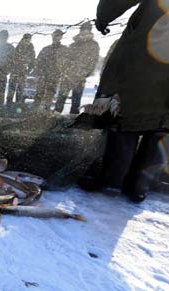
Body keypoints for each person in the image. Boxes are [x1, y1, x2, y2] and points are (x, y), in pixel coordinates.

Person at [78, 0, 169, 202]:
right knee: (162, 125)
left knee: (127, 113)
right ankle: (140, 185)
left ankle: (113, 181)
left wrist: (103, 17)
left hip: (149, 50)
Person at [55, 22, 100, 114]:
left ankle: (73, 119)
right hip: (67, 77)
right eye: (83, 30)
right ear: (80, 31)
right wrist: (66, 72)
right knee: (60, 99)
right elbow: (65, 60)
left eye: (86, 30)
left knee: (76, 101)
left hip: (80, 78)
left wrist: (84, 74)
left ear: (90, 32)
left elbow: (93, 62)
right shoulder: (73, 45)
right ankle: (55, 117)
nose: (84, 33)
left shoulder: (94, 45)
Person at [32, 29, 68, 110]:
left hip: (54, 77)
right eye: (54, 36)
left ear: (61, 37)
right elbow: (38, 63)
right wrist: (38, 75)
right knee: (39, 95)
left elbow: (67, 63)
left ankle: (45, 113)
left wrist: (63, 74)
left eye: (58, 36)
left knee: (50, 95)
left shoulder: (64, 50)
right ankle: (33, 113)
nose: (56, 38)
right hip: (43, 77)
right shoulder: (46, 49)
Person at [6, 33, 36, 110]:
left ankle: (17, 108)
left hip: (23, 73)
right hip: (14, 72)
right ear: (23, 39)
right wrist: (11, 68)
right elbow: (10, 59)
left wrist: (28, 71)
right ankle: (8, 107)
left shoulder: (31, 49)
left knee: (20, 91)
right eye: (26, 39)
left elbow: (33, 62)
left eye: (29, 39)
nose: (27, 40)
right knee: (11, 90)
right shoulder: (17, 47)